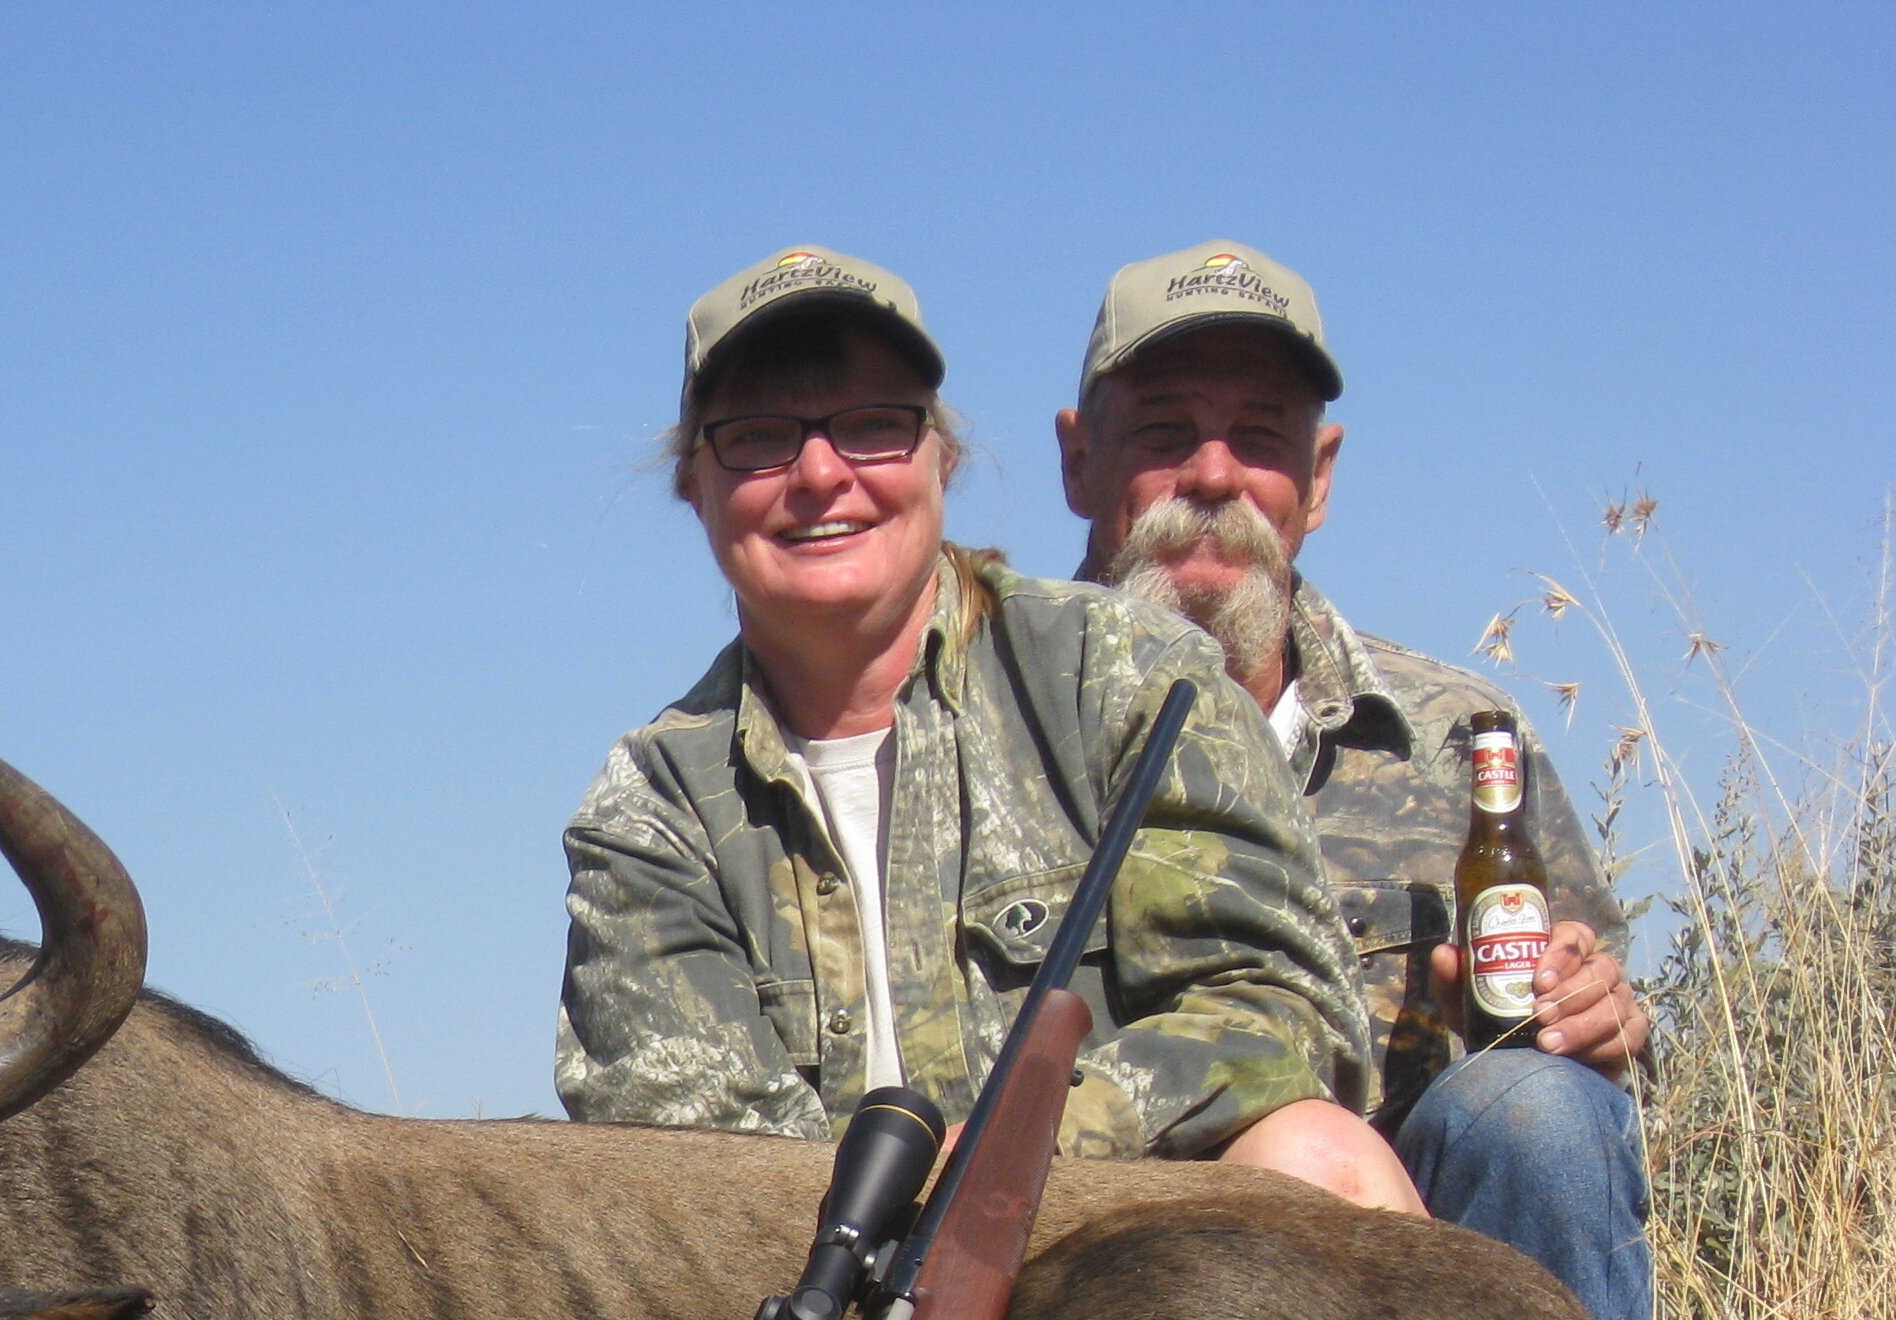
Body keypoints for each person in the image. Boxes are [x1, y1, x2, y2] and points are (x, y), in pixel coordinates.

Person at [556, 244, 1391, 1201]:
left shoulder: (1124, 674)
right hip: (802, 1289)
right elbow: (705, 1174)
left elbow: (1281, 1007)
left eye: (874, 426)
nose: (822, 474)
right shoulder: (650, 814)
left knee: (1328, 1162)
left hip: (1121, 1253)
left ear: (940, 459)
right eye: (758, 437)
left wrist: (1026, 1141)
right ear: (692, 485)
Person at [1056, 241, 1655, 1320]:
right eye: (1165, 431)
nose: (1215, 477)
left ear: (1319, 478)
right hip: (1116, 1277)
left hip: (1415, 1284)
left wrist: (1596, 1013)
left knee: (1545, 1117)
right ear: (1081, 462)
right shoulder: (987, 728)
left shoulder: (1458, 735)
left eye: (1261, 437)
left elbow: (1594, 1048)